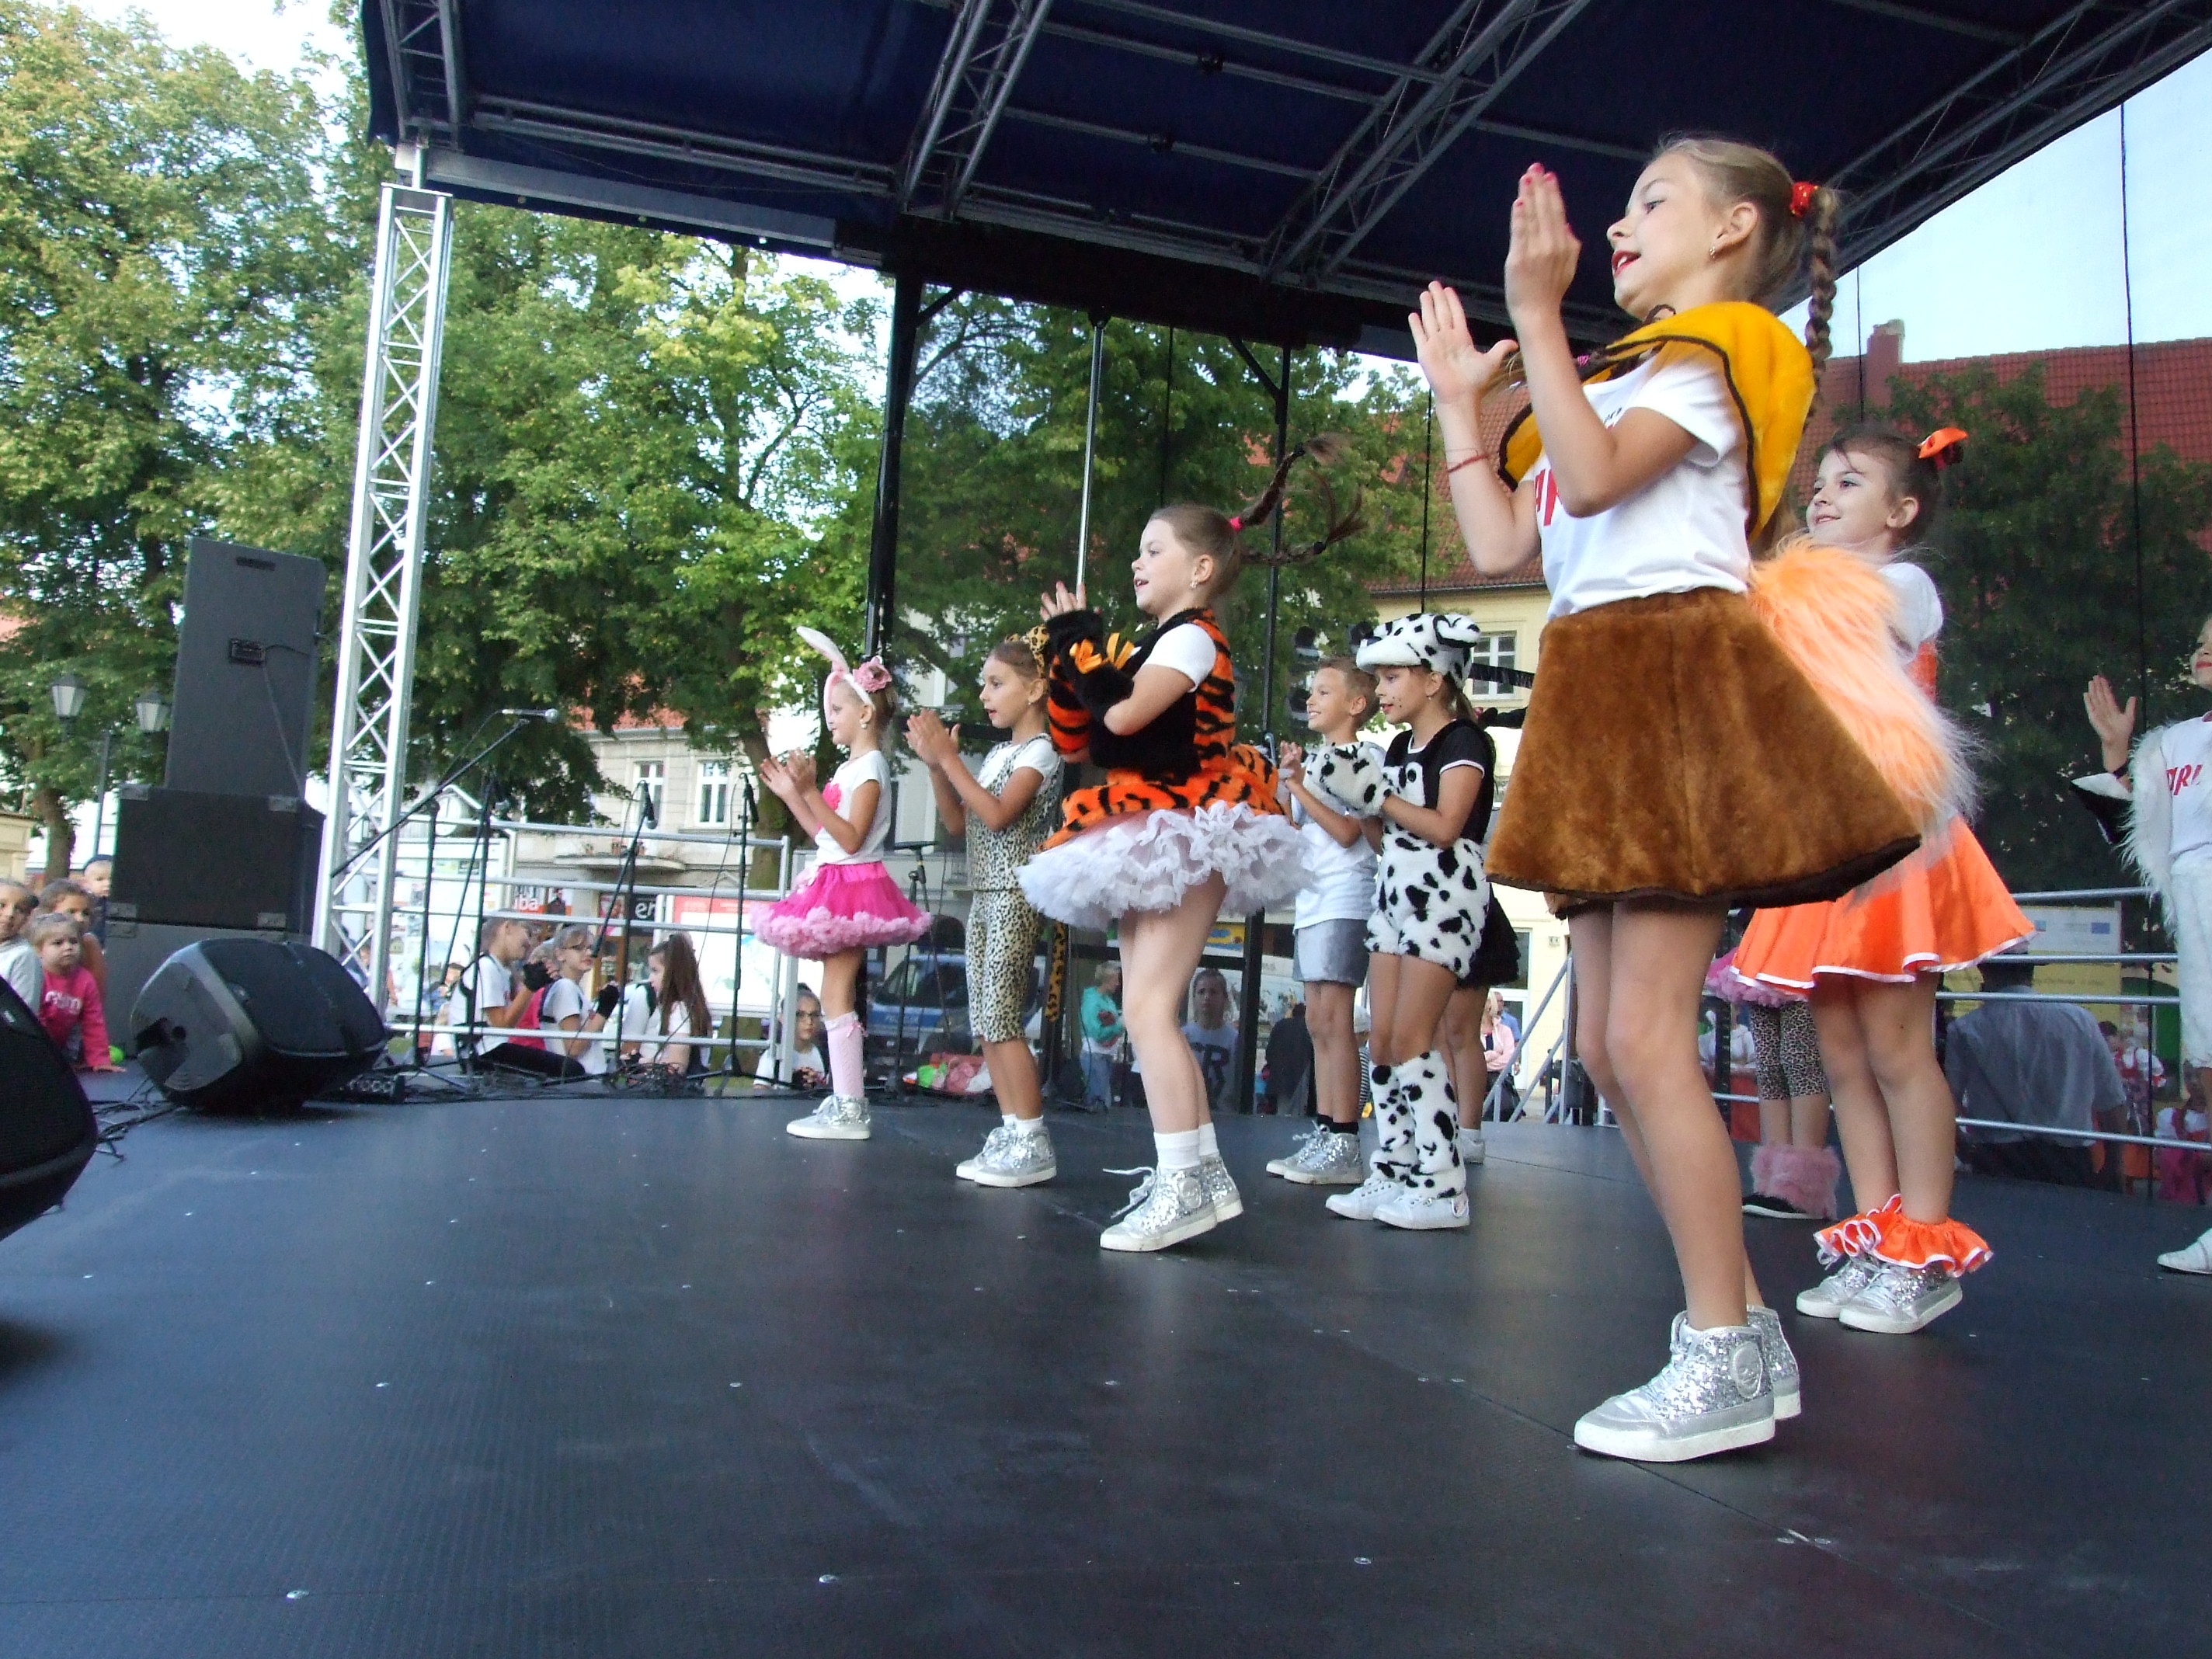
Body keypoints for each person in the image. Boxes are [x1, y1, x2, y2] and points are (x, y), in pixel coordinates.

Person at [1417, 143, 1925, 1459]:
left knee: (1644, 1039)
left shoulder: (1723, 349)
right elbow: (1503, 543)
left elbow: (1592, 482)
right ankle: (1739, 1325)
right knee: (1603, 1046)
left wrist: (1533, 317)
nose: (1620, 225)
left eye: (1653, 202)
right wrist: (1458, 404)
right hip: (1598, 684)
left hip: (1671, 682)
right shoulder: (1619, 374)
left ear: (1735, 226)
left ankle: (1721, 1348)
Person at [1734, 427, 2029, 1336]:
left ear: (1901, 511)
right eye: (1819, 481)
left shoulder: (1900, 587)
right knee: (1844, 1056)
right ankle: (1876, 1235)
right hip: (1826, 844)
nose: (1822, 496)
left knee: (1899, 1051)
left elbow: (1813, 628)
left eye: (1849, 482)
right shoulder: (1804, 589)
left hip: (1895, 842)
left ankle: (1925, 1248)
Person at [1020, 440, 1351, 1251]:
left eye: (1152, 549)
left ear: (1201, 569)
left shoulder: (1193, 639)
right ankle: (1195, 1174)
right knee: (1146, 1005)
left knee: (1145, 1010)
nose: (1137, 563)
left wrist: (1083, 648)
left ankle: (1183, 1185)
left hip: (1190, 821)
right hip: (1150, 819)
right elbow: (1089, 739)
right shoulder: (1155, 644)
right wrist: (1070, 658)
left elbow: (1126, 716)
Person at [1303, 613, 1501, 1231]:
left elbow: (1445, 826)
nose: (1382, 690)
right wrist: (1353, 795)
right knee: (1384, 1041)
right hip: (1394, 894)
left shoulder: (1464, 743)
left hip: (1445, 898)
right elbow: (1381, 837)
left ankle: (1443, 1182)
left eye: (1393, 678)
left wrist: (1375, 797)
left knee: (1415, 1037)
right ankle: (1394, 1166)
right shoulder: (1394, 748)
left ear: (1434, 680)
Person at [757, 631, 932, 1139]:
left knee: (836, 996)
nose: (829, 718)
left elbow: (852, 839)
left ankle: (851, 1105)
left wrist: (809, 790)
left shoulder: (871, 767)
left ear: (865, 713)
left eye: (836, 709)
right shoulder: (852, 766)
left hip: (853, 885)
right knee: (833, 994)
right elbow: (825, 834)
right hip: (837, 878)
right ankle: (846, 1101)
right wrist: (795, 795)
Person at [909, 629, 1065, 1187]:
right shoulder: (999, 753)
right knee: (986, 1021)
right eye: (984, 685)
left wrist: (950, 758)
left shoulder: (1041, 752)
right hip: (984, 895)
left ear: (1036, 688)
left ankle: (1033, 1139)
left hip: (1015, 896)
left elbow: (999, 816)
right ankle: (1012, 1128)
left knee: (1001, 1017)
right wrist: (936, 766)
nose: (984, 695)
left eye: (997, 683)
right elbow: (960, 823)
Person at [1268, 656, 1382, 1186]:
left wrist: (1302, 787)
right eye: (1311, 691)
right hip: (1312, 901)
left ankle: (1344, 1139)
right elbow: (1291, 827)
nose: (1311, 700)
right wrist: (1285, 783)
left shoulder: (1364, 757)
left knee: (1337, 1020)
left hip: (1345, 897)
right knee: (1315, 1019)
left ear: (1356, 705)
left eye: (1323, 691)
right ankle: (1326, 1129)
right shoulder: (1314, 762)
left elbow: (1349, 832)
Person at [1947, 955, 2122, 1188]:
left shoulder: (1965, 1029)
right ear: (2030, 973)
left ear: (1985, 973)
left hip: (1997, 1159)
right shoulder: (2081, 1020)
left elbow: (1947, 1102)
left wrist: (1965, 1148)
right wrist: (2114, 1164)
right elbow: (2112, 1100)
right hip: (2069, 1159)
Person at [1706, 950, 1839, 1222]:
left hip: (1804, 944)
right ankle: (1773, 1183)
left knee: (1800, 1057)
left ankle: (1804, 1189)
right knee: (1769, 1064)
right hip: (1767, 943)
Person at [30, 913, 113, 1071]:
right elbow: (34, 1018)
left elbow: (93, 1022)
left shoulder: (85, 980)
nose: (68, 947)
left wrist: (100, 1060)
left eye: (73, 942)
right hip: (35, 1046)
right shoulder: (37, 975)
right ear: (39, 950)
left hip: (63, 1048)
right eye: (58, 943)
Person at [626, 934, 710, 1076]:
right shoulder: (689, 1005)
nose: (650, 979)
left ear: (672, 972)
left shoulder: (679, 1010)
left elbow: (676, 1065)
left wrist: (642, 1063)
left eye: (655, 971)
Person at [452, 916, 534, 1061]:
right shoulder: (486, 967)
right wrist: (531, 986)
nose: (529, 943)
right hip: (482, 1051)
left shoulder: (499, 970)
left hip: (488, 1048)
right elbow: (501, 1025)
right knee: (566, 1068)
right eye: (527, 933)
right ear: (508, 927)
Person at [1180, 966, 1240, 1115]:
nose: (1207, 997)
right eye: (1201, 992)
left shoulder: (1234, 1039)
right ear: (1194, 997)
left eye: (1213, 992)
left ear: (1224, 998)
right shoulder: (1182, 1036)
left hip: (1225, 1115)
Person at [38, 878, 106, 998]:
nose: (80, 919)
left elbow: (97, 993)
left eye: (86, 913)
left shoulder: (88, 943)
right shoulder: (33, 941)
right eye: (71, 912)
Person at [2155, 1076, 2210, 1207]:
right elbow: (2157, 1159)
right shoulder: (2172, 1117)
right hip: (2180, 1196)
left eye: (2200, 1076)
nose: (2194, 1082)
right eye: (2189, 1076)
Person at [755, 988, 827, 1089]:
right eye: (800, 1015)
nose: (809, 1021)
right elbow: (760, 1091)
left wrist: (818, 1084)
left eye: (815, 1015)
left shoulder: (825, 1057)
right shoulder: (773, 1056)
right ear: (783, 1018)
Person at [1079, 964, 1125, 1111]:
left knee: (1103, 1100)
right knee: (1101, 1102)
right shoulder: (1092, 1003)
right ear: (1106, 980)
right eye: (1115, 980)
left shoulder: (1107, 1000)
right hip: (1095, 1055)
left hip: (1105, 1054)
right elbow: (1097, 1033)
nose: (1118, 983)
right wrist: (1120, 1025)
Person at [2102, 1020, 2164, 1129]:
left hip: (2138, 1108)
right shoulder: (2104, 1060)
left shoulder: (2138, 1055)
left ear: (2117, 1036)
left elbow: (2155, 1079)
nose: (2104, 1044)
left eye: (2107, 1040)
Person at [1263, 999, 1312, 1116]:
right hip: (1302, 1082)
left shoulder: (1281, 1025)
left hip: (1280, 1081)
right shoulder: (1309, 1029)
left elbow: (1269, 1054)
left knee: (1282, 1115)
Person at [0, 878, 40, 1012]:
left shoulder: (23, 956)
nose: (10, 914)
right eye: (1, 905)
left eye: (20, 910)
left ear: (27, 917)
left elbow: (22, 1013)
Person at [78, 856, 111, 943]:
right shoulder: (84, 904)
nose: (107, 883)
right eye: (100, 879)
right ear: (85, 883)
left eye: (112, 879)